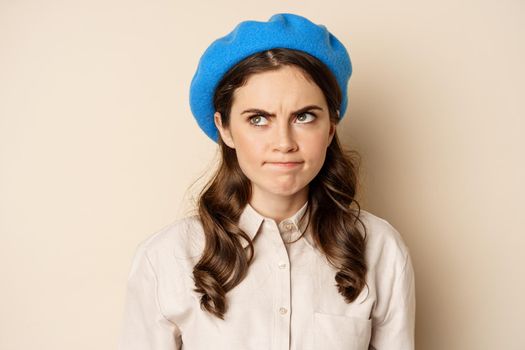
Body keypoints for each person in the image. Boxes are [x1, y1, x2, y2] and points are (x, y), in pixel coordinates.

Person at [118, 12, 415, 350]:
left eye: (304, 116)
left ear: (331, 126)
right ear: (225, 128)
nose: (284, 142)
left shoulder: (381, 250)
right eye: (258, 119)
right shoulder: (165, 259)